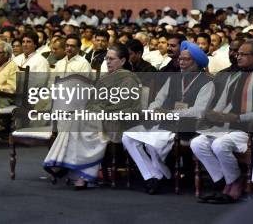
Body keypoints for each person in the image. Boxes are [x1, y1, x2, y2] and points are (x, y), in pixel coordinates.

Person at [43, 43, 141, 189]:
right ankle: (76, 172)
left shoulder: (128, 79)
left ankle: (69, 168)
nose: (107, 62)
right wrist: (95, 109)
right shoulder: (105, 78)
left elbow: (125, 105)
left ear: (122, 61)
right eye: (106, 58)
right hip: (100, 116)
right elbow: (93, 101)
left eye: (112, 59)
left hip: (117, 120)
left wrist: (100, 109)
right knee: (76, 119)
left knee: (80, 122)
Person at [122, 41, 214, 194]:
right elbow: (158, 100)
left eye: (186, 59)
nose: (182, 62)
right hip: (163, 123)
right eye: (181, 59)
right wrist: (153, 110)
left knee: (152, 144)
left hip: (188, 126)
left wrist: (170, 113)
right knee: (127, 137)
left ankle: (159, 176)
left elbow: (199, 111)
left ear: (197, 63)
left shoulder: (207, 82)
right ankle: (152, 175)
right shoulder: (173, 78)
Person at [191, 39, 253, 203]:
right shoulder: (238, 76)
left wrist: (237, 118)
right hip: (231, 127)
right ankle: (224, 180)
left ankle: (234, 183)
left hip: (252, 130)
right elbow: (226, 103)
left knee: (219, 145)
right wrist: (213, 115)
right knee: (197, 143)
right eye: (237, 54)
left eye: (243, 54)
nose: (237, 57)